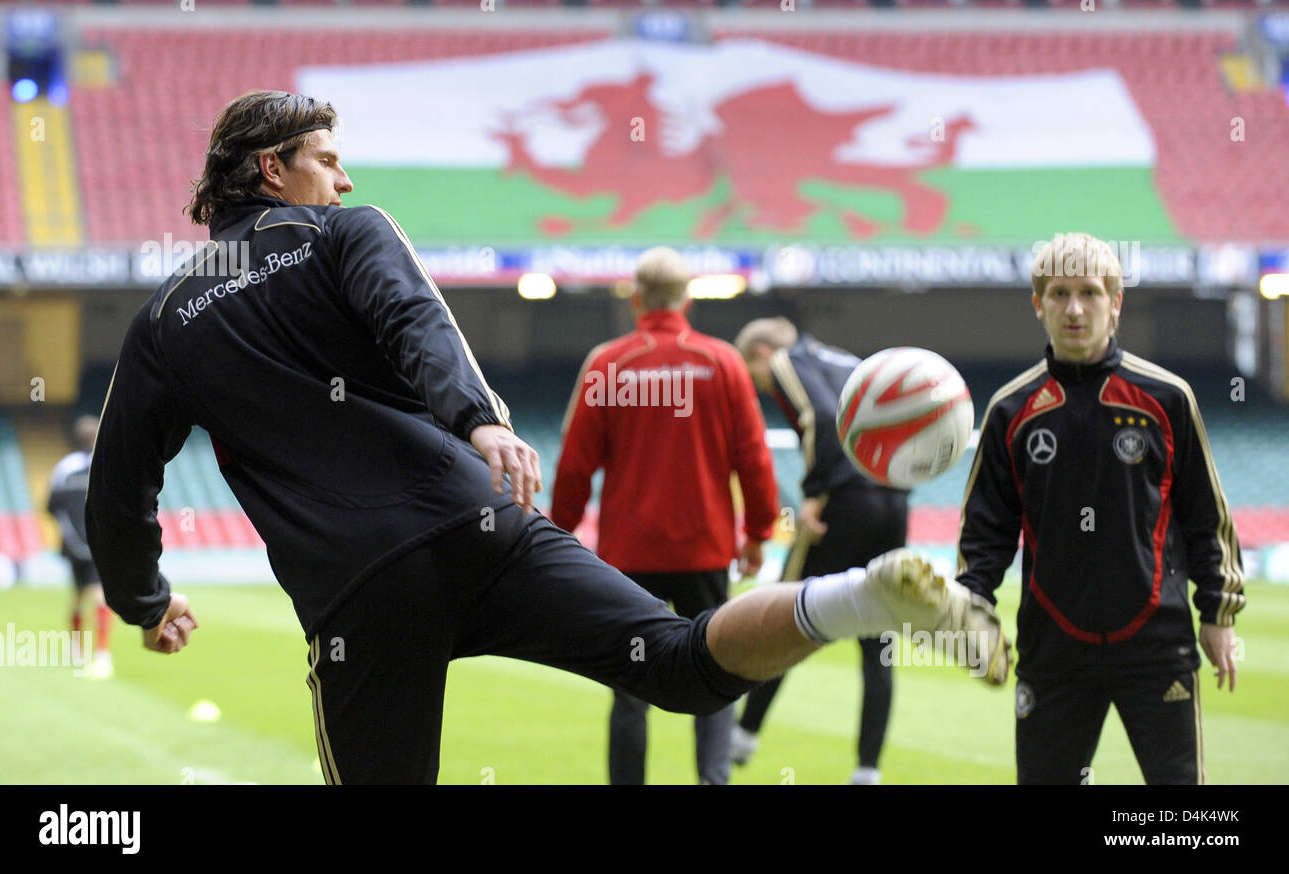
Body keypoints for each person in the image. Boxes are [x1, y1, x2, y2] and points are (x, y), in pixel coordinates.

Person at [85, 90, 1003, 784]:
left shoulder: (161, 323)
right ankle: (857, 596)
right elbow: (416, 320)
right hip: (474, 522)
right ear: (270, 171)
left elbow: (119, 491)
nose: (346, 179)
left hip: (358, 592)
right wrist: (480, 421)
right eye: (328, 159)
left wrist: (144, 598)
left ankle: (863, 595)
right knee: (683, 666)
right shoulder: (344, 234)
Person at [956, 232, 1245, 785]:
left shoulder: (1167, 399)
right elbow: (986, 533)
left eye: (1090, 293)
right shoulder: (1010, 412)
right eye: (1059, 293)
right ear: (1037, 305)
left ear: (1116, 302)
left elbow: (1205, 515)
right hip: (1053, 649)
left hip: (1157, 643)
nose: (1074, 309)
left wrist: (1217, 613)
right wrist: (972, 608)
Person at [550, 248, 778, 786]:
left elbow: (576, 464)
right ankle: (712, 781)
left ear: (634, 299)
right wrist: (759, 532)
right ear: (688, 299)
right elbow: (754, 456)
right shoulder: (722, 362)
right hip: (704, 551)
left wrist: (559, 532)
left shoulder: (609, 364)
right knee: (718, 673)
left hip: (628, 557)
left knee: (630, 688)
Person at [731, 318, 907, 785]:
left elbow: (820, 420)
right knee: (879, 636)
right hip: (892, 495)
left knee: (787, 611)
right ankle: (868, 768)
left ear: (763, 353)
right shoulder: (843, 359)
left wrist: (814, 490)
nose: (766, 389)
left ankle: (743, 734)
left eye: (758, 378)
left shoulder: (792, 359)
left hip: (844, 498)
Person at [48, 415, 112, 679]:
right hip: (98, 543)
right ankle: (102, 655)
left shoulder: (63, 468)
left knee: (77, 599)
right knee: (99, 598)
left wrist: (70, 535)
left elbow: (51, 507)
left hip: (74, 546)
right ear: (97, 437)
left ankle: (77, 651)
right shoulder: (105, 464)